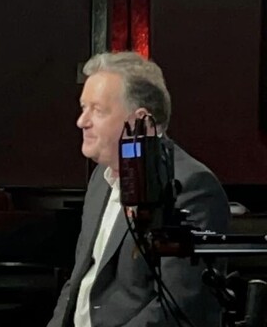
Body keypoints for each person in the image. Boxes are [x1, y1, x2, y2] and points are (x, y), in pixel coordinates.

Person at [47, 51, 230, 327]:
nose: (82, 121)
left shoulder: (191, 187)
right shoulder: (100, 179)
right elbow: (80, 280)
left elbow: (178, 305)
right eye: (83, 108)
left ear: (140, 122)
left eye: (97, 110)